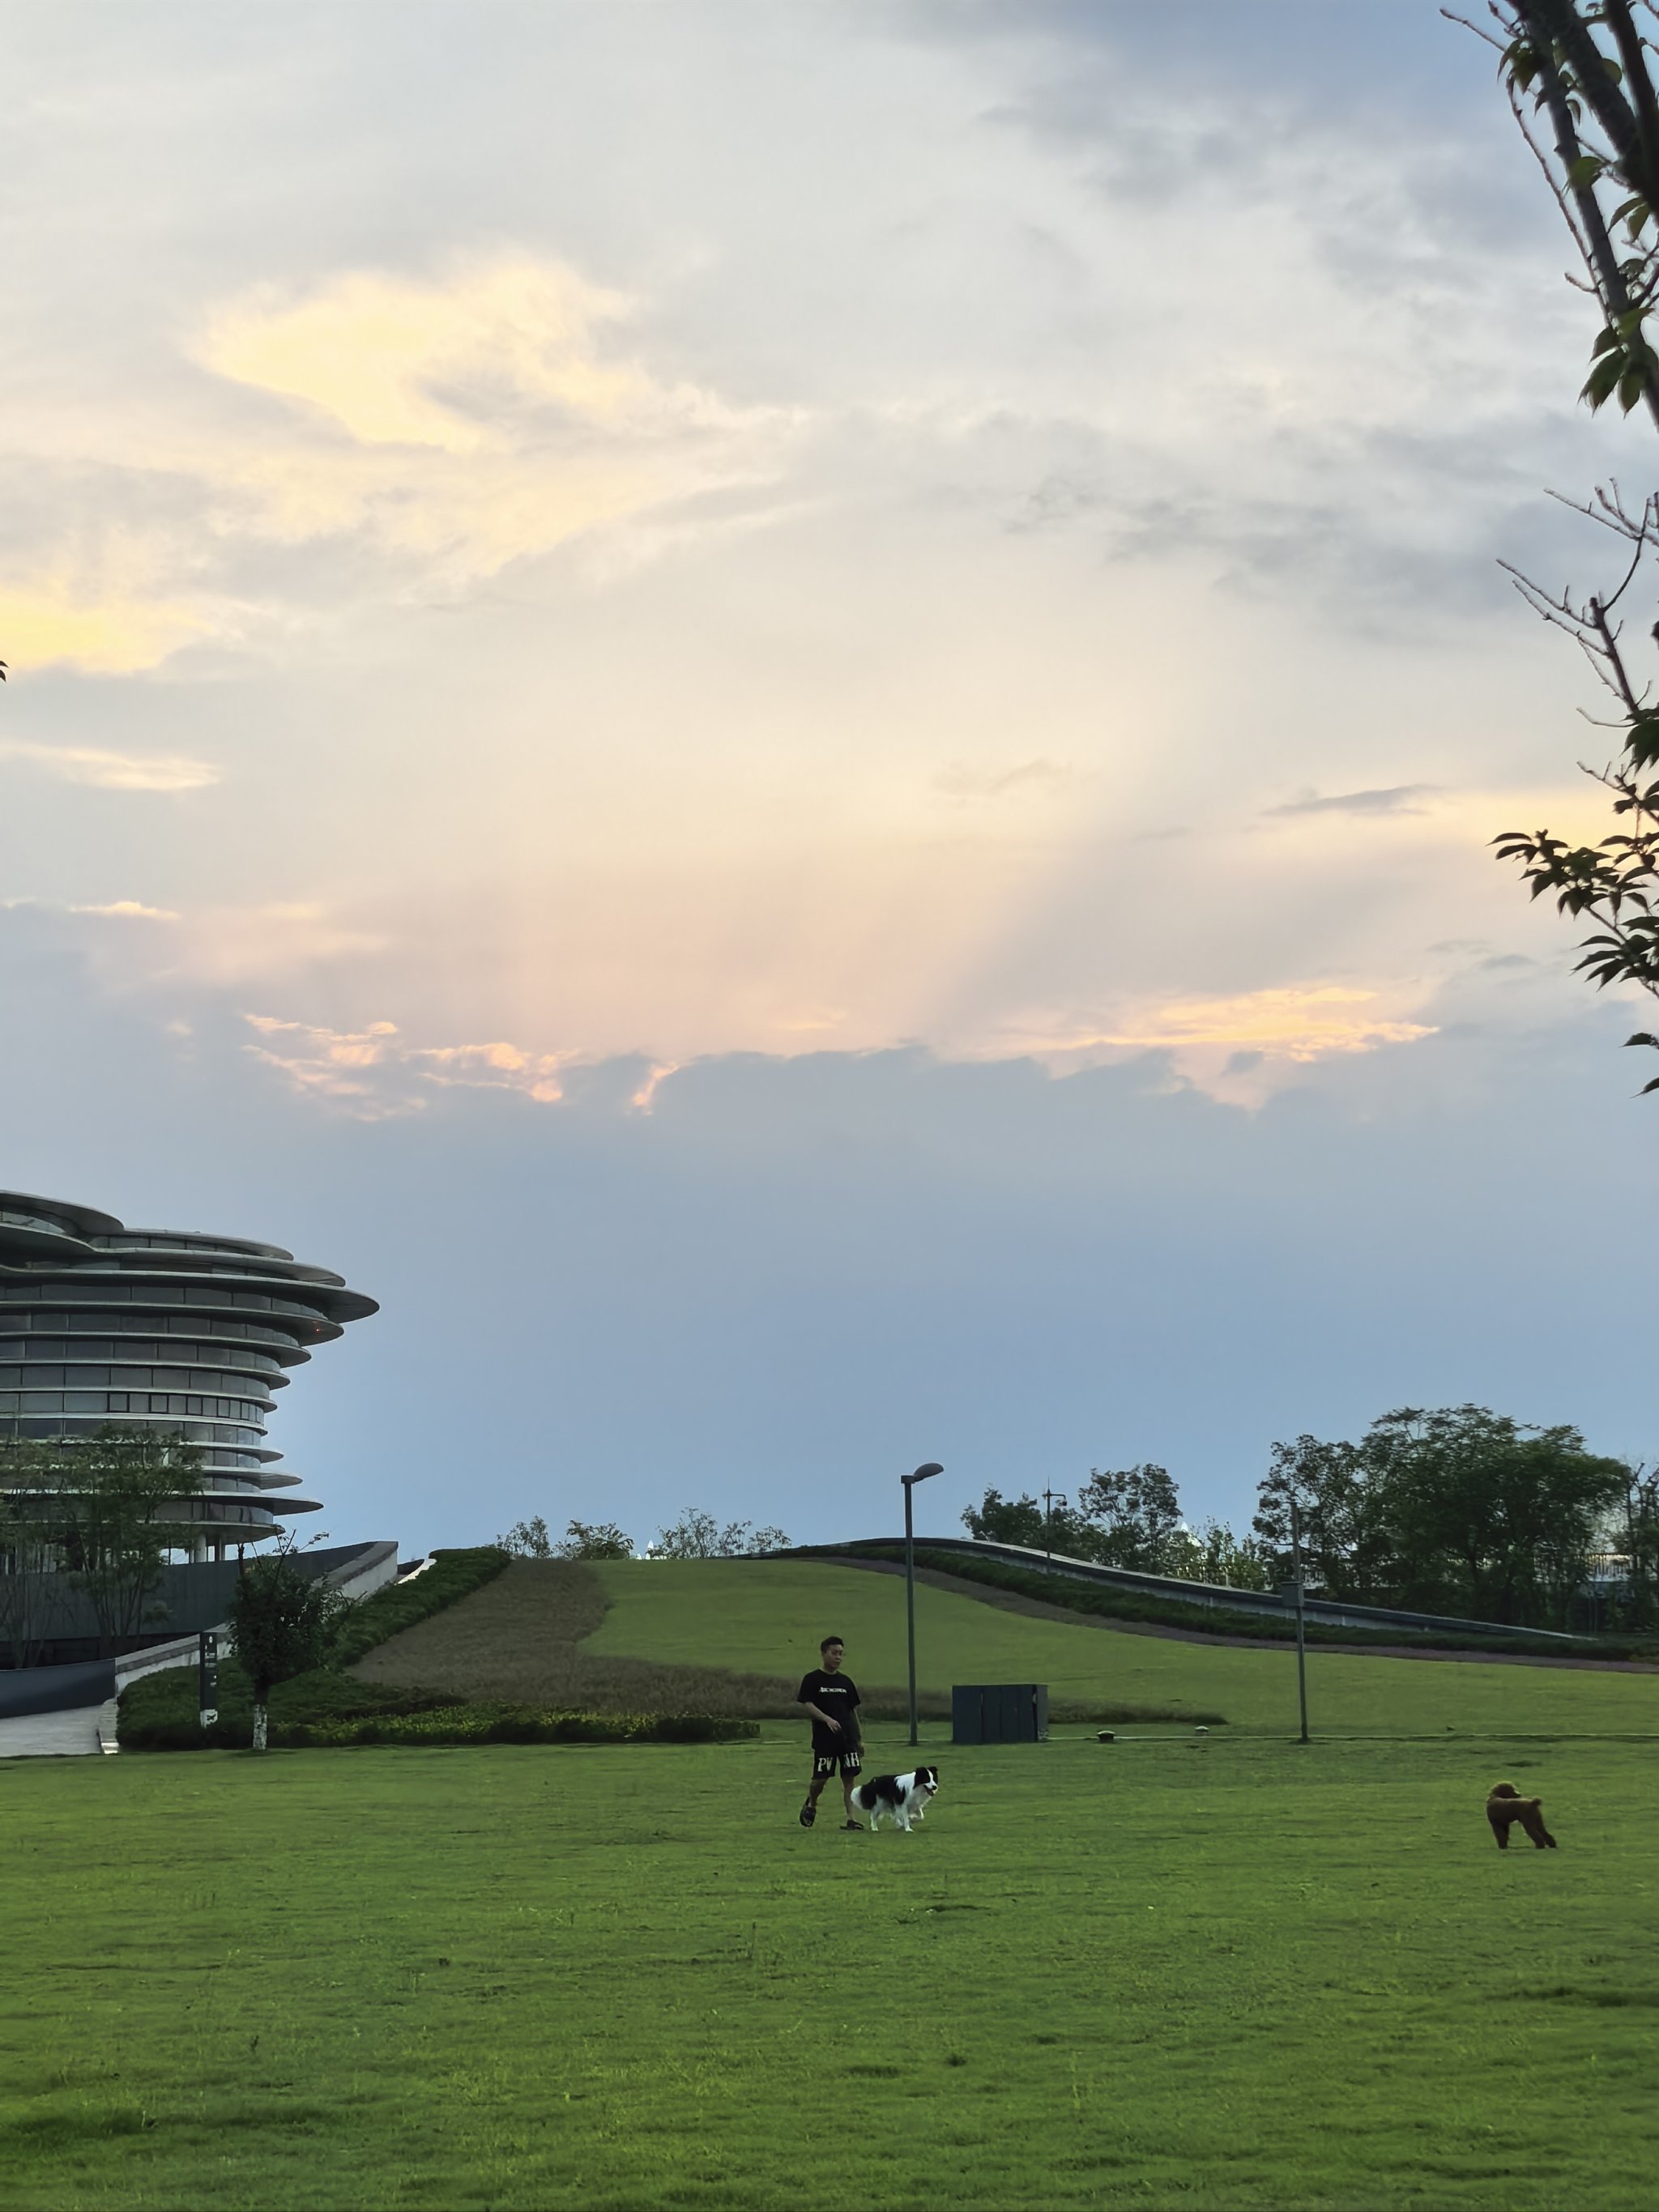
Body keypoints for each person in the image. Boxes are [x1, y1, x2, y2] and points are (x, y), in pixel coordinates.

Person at [797, 1634, 864, 1829]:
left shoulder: (846, 1683)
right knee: (820, 1779)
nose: (838, 1657)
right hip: (825, 1739)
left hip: (847, 1739)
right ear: (824, 1654)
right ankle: (812, 1802)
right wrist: (826, 1719)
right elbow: (807, 1704)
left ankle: (851, 1819)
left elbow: (853, 1711)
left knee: (849, 1779)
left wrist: (859, 1739)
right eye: (834, 1653)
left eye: (841, 1654)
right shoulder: (812, 1679)